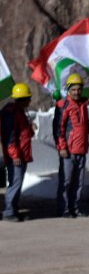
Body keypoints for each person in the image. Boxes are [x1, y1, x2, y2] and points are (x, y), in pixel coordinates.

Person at [54, 73, 89, 218]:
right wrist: (62, 147)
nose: (76, 92)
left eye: (79, 89)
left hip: (82, 150)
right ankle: (64, 210)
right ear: (68, 90)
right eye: (73, 89)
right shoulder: (63, 105)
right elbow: (58, 129)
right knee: (66, 181)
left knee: (78, 183)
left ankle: (74, 208)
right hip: (68, 151)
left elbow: (85, 127)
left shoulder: (83, 105)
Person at [1, 83, 34, 222]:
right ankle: (9, 212)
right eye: (28, 98)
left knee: (17, 183)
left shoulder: (19, 112)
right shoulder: (11, 114)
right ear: (22, 99)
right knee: (15, 183)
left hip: (22, 154)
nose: (30, 101)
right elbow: (10, 137)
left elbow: (24, 134)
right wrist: (15, 155)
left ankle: (13, 210)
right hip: (16, 156)